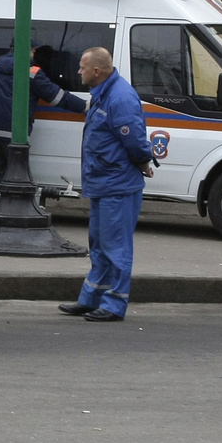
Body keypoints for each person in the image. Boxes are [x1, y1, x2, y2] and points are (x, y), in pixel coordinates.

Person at [59, 47, 154, 323]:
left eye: (82, 67)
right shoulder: (104, 94)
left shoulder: (119, 97)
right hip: (104, 183)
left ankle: (114, 305)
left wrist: (143, 161)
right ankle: (91, 299)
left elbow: (135, 142)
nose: (78, 71)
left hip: (118, 186)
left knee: (116, 247)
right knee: (99, 245)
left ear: (96, 71)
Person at [0, 44, 87, 179]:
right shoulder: (31, 72)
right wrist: (84, 106)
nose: (34, 53)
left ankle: (4, 196)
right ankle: (18, 199)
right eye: (33, 50)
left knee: (5, 169)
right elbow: (57, 97)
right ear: (28, 50)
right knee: (20, 174)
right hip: (14, 128)